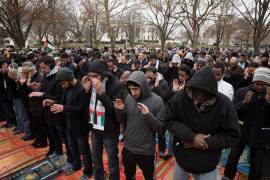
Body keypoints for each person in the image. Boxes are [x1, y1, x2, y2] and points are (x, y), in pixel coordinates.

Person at [165, 67, 240, 180]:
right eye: (196, 91)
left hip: (207, 162)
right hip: (182, 158)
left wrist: (206, 142)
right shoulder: (181, 97)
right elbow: (168, 119)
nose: (199, 96)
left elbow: (233, 135)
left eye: (204, 93)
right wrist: (192, 137)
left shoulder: (224, 104)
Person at [114, 71, 165, 180]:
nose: (133, 92)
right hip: (128, 148)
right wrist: (119, 110)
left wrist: (148, 115)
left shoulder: (157, 101)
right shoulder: (129, 98)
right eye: (130, 89)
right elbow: (123, 121)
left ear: (143, 86)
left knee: (149, 177)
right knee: (129, 175)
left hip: (146, 151)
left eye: (135, 89)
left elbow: (161, 129)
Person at [223, 67, 270, 180]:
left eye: (262, 84)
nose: (258, 87)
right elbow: (232, 111)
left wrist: (268, 103)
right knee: (233, 158)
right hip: (241, 132)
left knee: (256, 164)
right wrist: (244, 103)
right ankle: (227, 177)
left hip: (260, 135)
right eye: (256, 83)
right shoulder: (242, 91)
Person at [82, 59, 124, 180]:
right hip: (95, 126)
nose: (93, 79)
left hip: (109, 129)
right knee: (95, 158)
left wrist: (101, 92)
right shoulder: (90, 83)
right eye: (90, 76)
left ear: (104, 73)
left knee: (112, 160)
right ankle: (99, 177)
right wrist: (85, 91)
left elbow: (113, 110)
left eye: (96, 76)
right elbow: (86, 106)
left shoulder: (116, 84)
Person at [51, 68, 93, 180]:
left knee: (84, 151)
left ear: (69, 79)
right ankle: (76, 165)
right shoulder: (66, 88)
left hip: (81, 126)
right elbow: (64, 103)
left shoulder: (81, 89)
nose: (62, 85)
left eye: (63, 82)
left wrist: (63, 108)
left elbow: (81, 109)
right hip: (69, 124)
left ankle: (88, 172)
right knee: (72, 147)